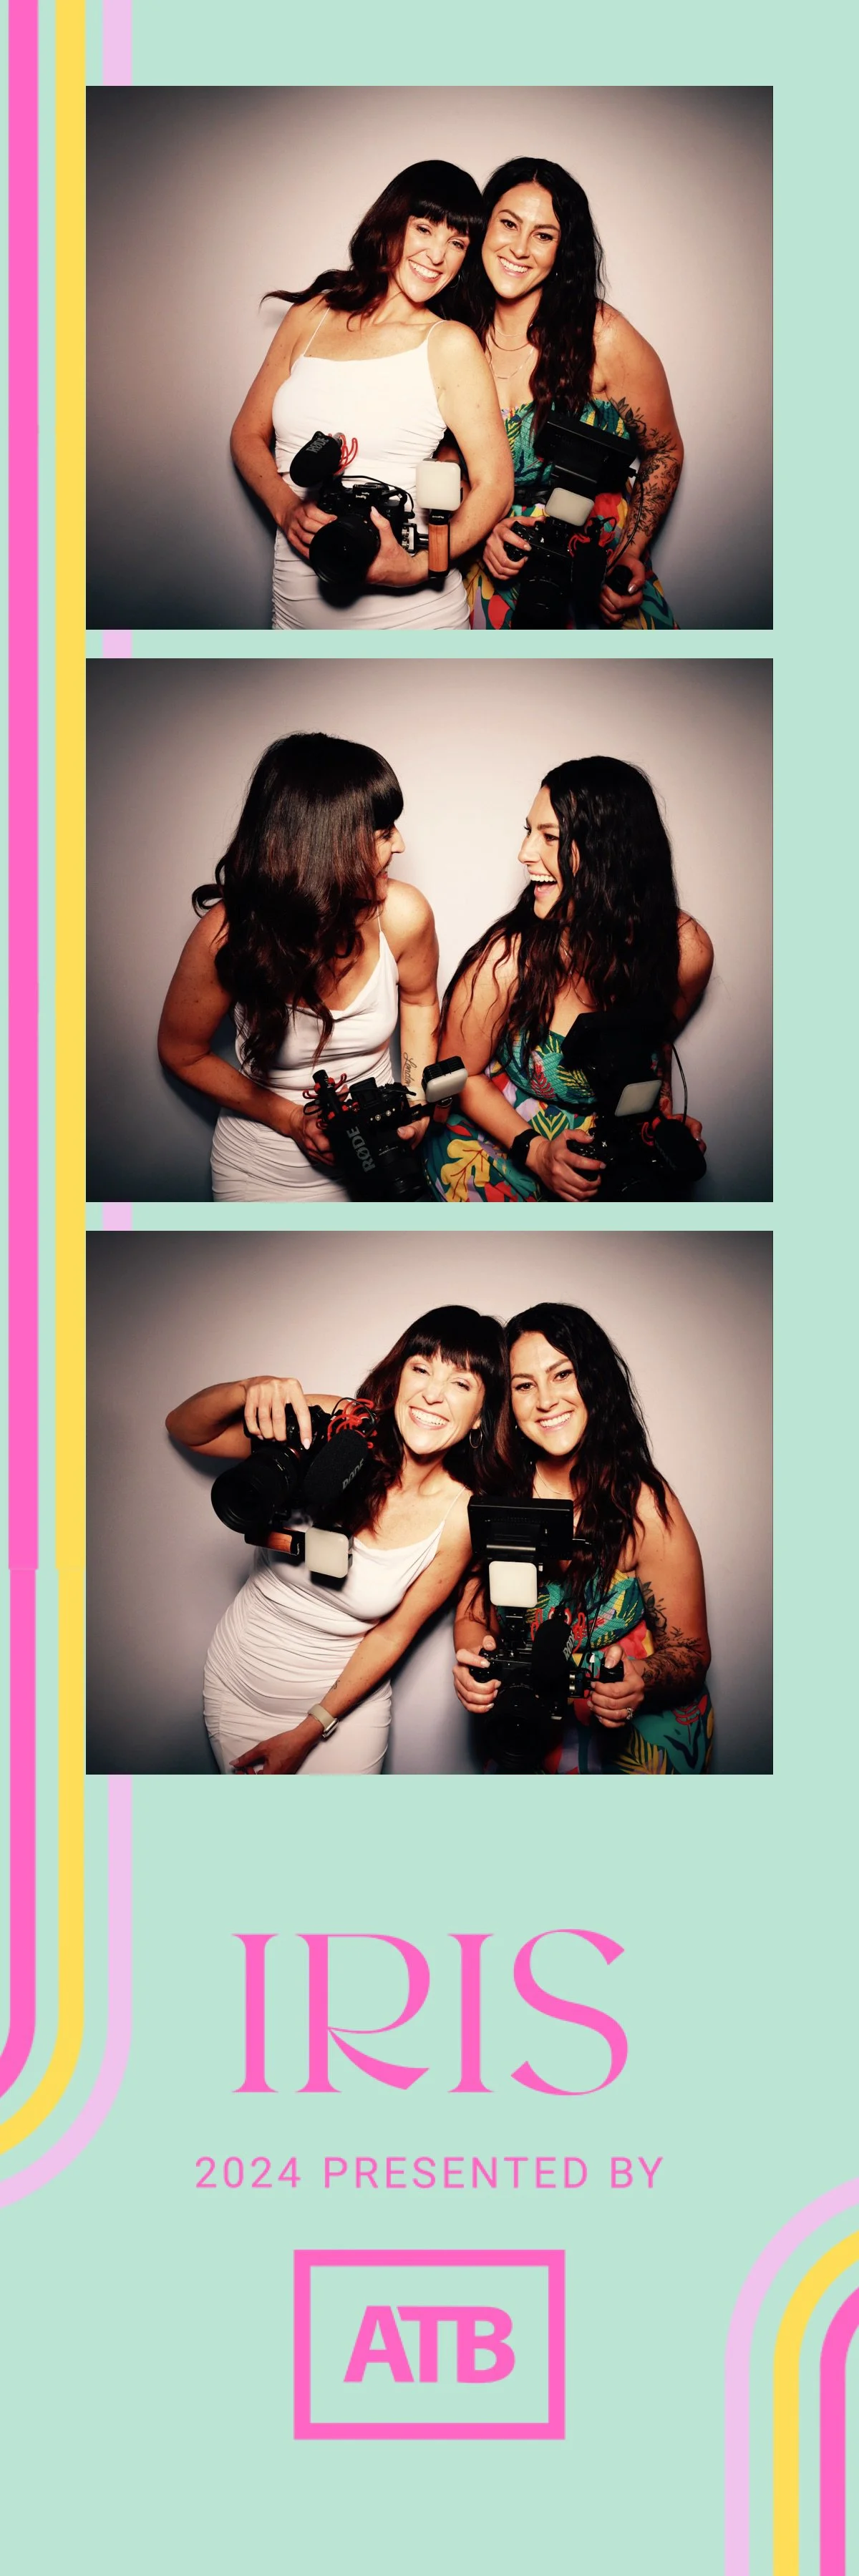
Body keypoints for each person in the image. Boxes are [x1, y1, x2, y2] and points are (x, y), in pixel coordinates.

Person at [166, 1307, 505, 1776]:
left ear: (478, 1420)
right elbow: (188, 1430)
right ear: (399, 1380)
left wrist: (310, 1730)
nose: (432, 1393)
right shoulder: (334, 1426)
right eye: (421, 1368)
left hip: (339, 1715)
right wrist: (247, 1388)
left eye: (461, 1383)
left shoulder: (460, 1517)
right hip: (235, 1690)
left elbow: (392, 1634)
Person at [157, 732, 441, 1202]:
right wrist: (291, 1119)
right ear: (328, 848)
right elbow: (182, 1052)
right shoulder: (228, 934)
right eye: (385, 832)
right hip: (265, 1174)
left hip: (385, 1162)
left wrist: (416, 1101)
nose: (402, 844)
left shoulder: (403, 915)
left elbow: (420, 1002)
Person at [229, 160, 513, 630]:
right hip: (294, 617)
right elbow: (246, 433)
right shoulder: (312, 315)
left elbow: (496, 487)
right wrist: (287, 509)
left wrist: (422, 566)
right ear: (392, 222)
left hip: (414, 621)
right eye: (425, 229)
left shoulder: (450, 344)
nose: (438, 255)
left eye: (457, 243)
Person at [424, 755, 713, 1204]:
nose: (524, 854)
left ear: (611, 853)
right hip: (491, 1171)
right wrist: (537, 1153)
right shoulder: (505, 961)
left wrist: (657, 1128)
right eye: (529, 831)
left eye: (550, 837)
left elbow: (654, 1047)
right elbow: (454, 1079)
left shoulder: (685, 951)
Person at [452, 1302, 714, 1774]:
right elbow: (473, 1611)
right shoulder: (497, 1497)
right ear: (507, 1403)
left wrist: (642, 1679)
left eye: (562, 1375)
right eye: (524, 1385)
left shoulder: (644, 1504)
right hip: (530, 1734)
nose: (546, 1401)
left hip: (641, 1746)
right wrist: (474, 1662)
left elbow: (692, 1652)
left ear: (593, 1379)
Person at [452, 157, 683, 630]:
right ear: (483, 227)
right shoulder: (453, 336)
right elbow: (444, 465)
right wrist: (480, 536)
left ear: (563, 250)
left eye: (543, 234)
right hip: (500, 576)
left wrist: (633, 553)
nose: (519, 248)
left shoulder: (603, 336)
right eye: (509, 224)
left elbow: (664, 449)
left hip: (595, 577)